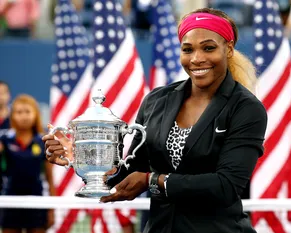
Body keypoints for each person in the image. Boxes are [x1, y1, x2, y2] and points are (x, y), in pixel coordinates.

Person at [43, 7, 268, 233]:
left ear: (228, 49)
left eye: (208, 48)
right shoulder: (156, 100)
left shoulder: (246, 108)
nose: (197, 59)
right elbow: (132, 171)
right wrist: (85, 155)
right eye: (187, 49)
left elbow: (226, 186)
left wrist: (154, 180)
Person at [0, 94, 55, 233]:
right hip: (10, 200)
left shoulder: (43, 141)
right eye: (19, 112)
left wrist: (52, 210)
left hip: (36, 201)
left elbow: (50, 178)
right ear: (12, 115)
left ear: (35, 114)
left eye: (27, 112)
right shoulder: (4, 140)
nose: (23, 116)